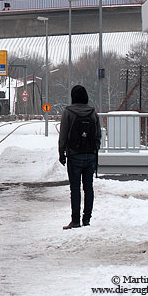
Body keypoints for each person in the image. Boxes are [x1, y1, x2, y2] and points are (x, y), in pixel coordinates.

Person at [58, 84, 102, 229]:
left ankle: (75, 221)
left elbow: (63, 135)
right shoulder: (92, 112)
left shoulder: (68, 112)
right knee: (88, 188)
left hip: (74, 155)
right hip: (90, 155)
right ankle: (87, 219)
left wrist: (62, 153)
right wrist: (94, 149)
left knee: (75, 188)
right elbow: (98, 135)